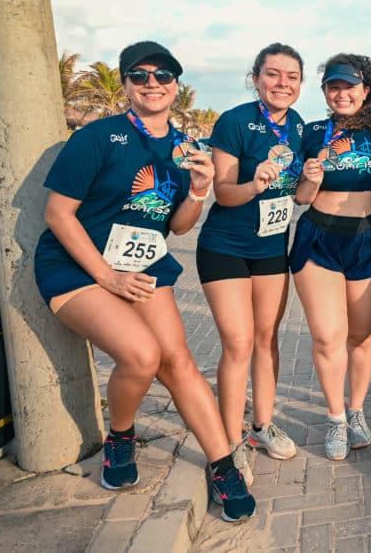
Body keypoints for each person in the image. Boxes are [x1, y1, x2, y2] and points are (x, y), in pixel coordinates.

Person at [34, 41, 255, 521]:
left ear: (176, 85)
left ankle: (223, 464)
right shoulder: (96, 138)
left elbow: (176, 226)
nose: (151, 84)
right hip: (77, 268)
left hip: (146, 266)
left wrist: (198, 190)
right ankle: (121, 436)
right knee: (142, 355)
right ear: (126, 85)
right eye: (139, 76)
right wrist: (108, 276)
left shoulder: (184, 149)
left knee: (178, 360)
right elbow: (58, 214)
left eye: (162, 76)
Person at [196, 43, 304, 485]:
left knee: (267, 338)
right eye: (274, 75)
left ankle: (261, 425)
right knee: (238, 343)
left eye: (291, 77)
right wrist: (255, 183)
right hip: (226, 246)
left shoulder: (297, 126)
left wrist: (310, 182)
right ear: (256, 77)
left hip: (271, 249)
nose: (283, 84)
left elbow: (298, 195)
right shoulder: (235, 121)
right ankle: (227, 440)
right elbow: (223, 192)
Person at [291, 54, 371, 461]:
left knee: (361, 338)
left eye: (349, 86)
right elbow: (300, 198)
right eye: (333, 86)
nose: (341, 93)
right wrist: (311, 181)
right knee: (327, 336)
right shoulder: (313, 132)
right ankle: (335, 418)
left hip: (369, 239)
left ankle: (356, 412)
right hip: (319, 239)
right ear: (325, 92)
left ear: (366, 90)